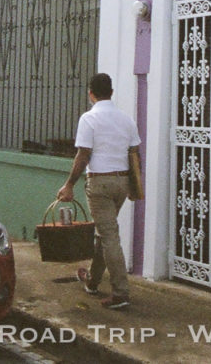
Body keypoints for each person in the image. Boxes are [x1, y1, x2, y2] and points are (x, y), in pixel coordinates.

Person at [57, 72, 140, 310]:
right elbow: (135, 155)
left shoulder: (89, 118)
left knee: (109, 236)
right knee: (105, 233)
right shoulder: (126, 120)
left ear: (90, 94)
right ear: (111, 93)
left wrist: (69, 184)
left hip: (100, 184)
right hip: (122, 183)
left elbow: (83, 155)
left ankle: (121, 293)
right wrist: (135, 187)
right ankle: (92, 281)